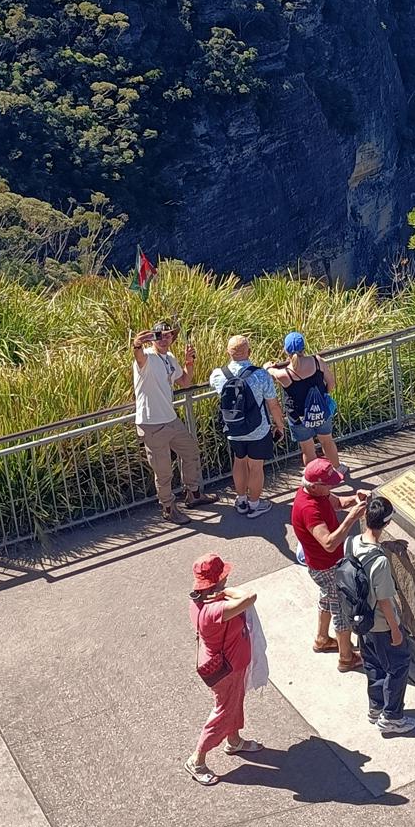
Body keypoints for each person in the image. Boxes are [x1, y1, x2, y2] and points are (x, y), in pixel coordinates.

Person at [340, 495, 415, 736]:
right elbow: (384, 601)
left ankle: (376, 707)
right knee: (399, 665)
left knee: (372, 664)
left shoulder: (351, 543)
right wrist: (395, 630)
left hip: (360, 620)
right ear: (387, 523)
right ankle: (392, 717)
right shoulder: (380, 562)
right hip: (382, 625)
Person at [183, 552, 261, 784]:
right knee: (223, 712)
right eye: (223, 576)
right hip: (228, 670)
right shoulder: (217, 610)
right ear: (217, 581)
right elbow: (250, 596)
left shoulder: (198, 602)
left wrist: (219, 592)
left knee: (233, 703)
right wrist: (225, 592)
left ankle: (234, 740)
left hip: (224, 665)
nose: (227, 578)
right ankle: (197, 760)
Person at [290, 458, 369, 670]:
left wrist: (356, 499)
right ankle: (346, 658)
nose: (332, 487)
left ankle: (322, 639)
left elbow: (338, 503)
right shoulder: (309, 509)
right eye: (329, 484)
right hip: (327, 567)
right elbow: (329, 543)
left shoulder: (316, 492)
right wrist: (352, 518)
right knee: (341, 609)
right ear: (315, 485)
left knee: (327, 598)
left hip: (323, 565)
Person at [132, 318, 204, 521]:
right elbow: (138, 356)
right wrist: (137, 344)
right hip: (152, 423)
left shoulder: (170, 358)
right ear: (152, 338)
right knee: (163, 471)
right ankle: (169, 508)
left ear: (173, 337)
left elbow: (184, 381)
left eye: (168, 335)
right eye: (159, 336)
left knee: (191, 452)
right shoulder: (146, 357)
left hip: (170, 418)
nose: (164, 339)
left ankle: (193, 493)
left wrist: (189, 362)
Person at [210, 334, 285, 517]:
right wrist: (280, 425)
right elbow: (273, 405)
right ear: (249, 352)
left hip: (234, 429)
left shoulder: (218, 375)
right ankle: (254, 504)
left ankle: (241, 500)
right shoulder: (260, 375)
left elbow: (214, 386)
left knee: (239, 461)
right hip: (258, 429)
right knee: (256, 467)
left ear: (228, 352)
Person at [270, 332, 341, 470]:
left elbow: (270, 371)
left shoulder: (285, 374)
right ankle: (337, 469)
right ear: (304, 348)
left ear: (286, 350)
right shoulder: (318, 361)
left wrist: (268, 366)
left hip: (299, 417)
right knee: (327, 441)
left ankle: (313, 477)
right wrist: (323, 395)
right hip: (321, 411)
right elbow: (331, 383)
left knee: (308, 449)